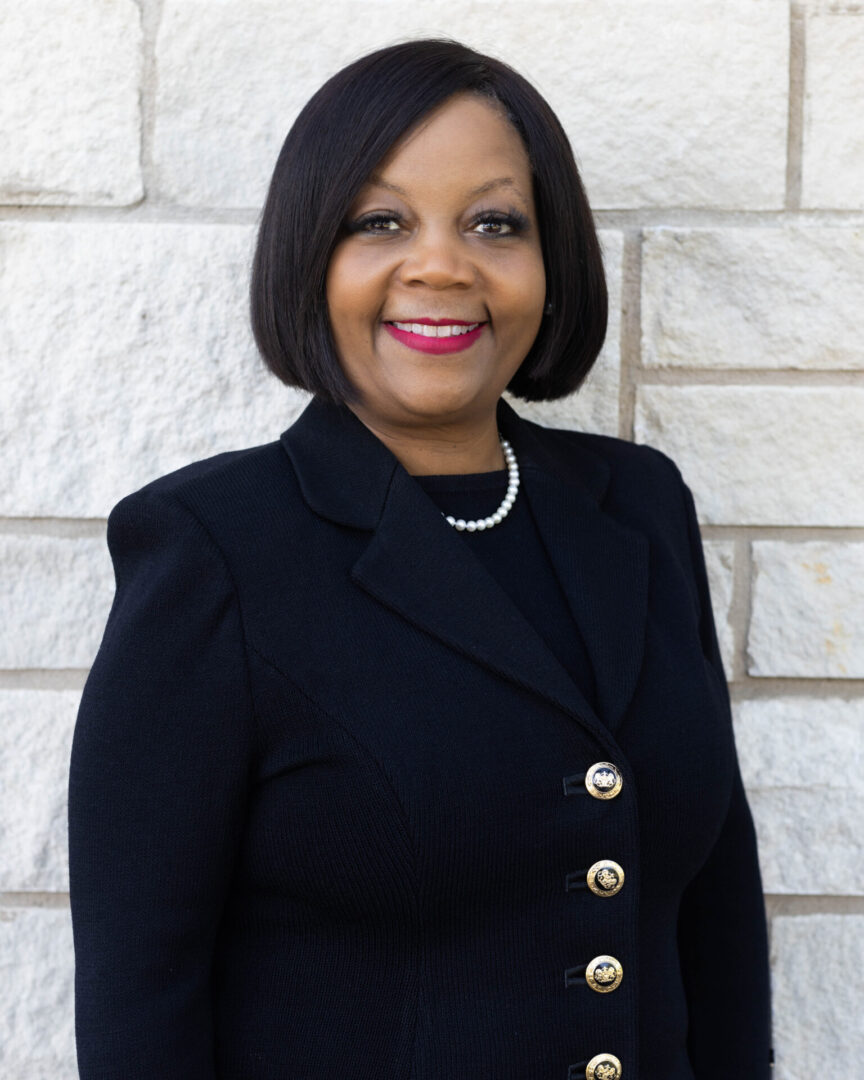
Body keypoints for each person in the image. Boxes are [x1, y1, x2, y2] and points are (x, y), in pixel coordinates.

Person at [67, 38, 774, 1080]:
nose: (443, 265)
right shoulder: (214, 551)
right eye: (380, 221)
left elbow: (716, 918)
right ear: (313, 254)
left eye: (496, 222)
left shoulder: (640, 508)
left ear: (551, 258)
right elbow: (141, 1002)